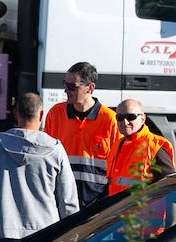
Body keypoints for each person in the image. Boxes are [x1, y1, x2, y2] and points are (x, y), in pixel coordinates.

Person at [0, 92, 79, 242]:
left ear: (15, 114)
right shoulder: (55, 148)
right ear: (41, 115)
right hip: (46, 231)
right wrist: (70, 232)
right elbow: (68, 198)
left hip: (6, 229)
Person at [43, 61, 119, 207]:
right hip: (61, 201)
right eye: (65, 84)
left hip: (96, 204)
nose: (66, 90)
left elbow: (117, 166)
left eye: (72, 86)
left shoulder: (110, 120)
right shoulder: (55, 114)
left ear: (90, 88)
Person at [107, 99, 176, 195]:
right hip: (119, 208)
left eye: (131, 117)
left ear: (143, 119)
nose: (125, 122)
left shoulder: (155, 146)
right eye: (120, 117)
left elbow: (169, 185)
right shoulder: (118, 144)